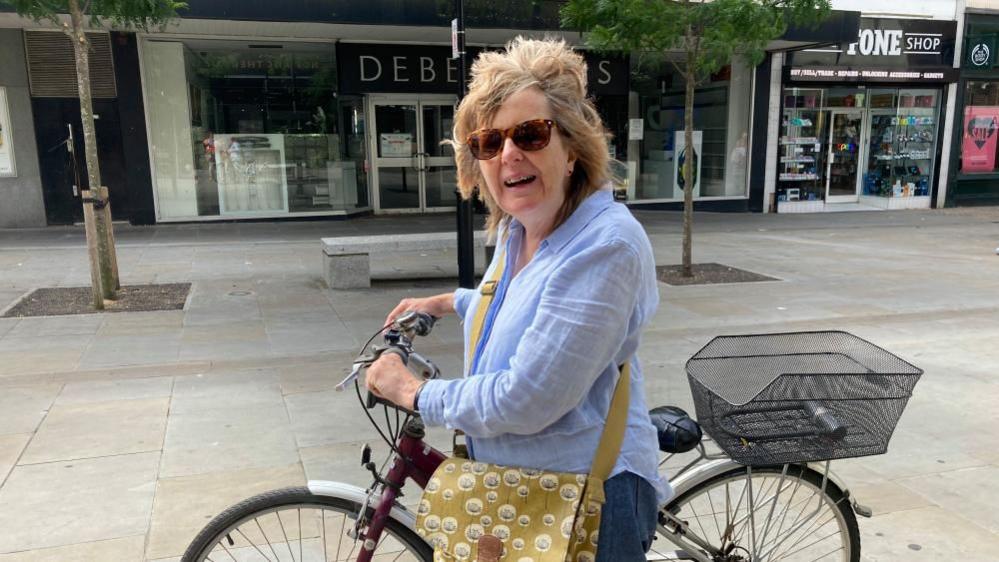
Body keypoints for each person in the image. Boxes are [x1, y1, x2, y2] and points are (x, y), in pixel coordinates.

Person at [365, 37, 669, 561]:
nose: (509, 153)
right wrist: (448, 301)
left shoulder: (605, 246)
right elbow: (517, 301)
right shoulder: (519, 228)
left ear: (572, 147)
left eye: (530, 133)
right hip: (522, 489)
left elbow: (525, 399)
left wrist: (414, 392)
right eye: (489, 142)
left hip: (589, 500)